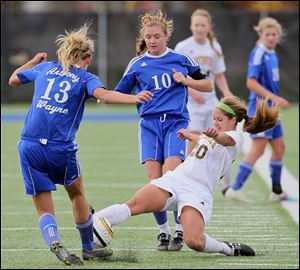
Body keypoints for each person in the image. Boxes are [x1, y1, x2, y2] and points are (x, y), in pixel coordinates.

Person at [8, 23, 153, 266]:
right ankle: (88, 247)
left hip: (29, 145)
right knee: (77, 194)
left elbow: (13, 79)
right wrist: (134, 97)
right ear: (88, 58)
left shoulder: (45, 68)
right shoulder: (86, 77)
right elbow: (104, 96)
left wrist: (32, 61)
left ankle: (55, 241)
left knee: (44, 207)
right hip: (60, 148)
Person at [94, 96, 279, 257]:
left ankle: (227, 248)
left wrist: (214, 135)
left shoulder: (236, 138)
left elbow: (223, 140)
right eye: (214, 118)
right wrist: (191, 135)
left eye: (220, 119)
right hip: (175, 179)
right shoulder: (213, 134)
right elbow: (206, 141)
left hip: (197, 192)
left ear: (233, 120)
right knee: (134, 205)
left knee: (194, 242)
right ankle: (95, 221)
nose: (215, 123)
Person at [109, 10, 212, 252]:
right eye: (148, 37)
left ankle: (179, 230)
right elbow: (118, 93)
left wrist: (186, 81)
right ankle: (163, 233)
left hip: (176, 123)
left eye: (157, 36)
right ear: (143, 38)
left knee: (173, 177)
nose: (152, 41)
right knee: (154, 181)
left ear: (166, 36)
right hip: (149, 126)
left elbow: (207, 85)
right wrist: (135, 97)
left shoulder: (180, 58)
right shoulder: (137, 64)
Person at [223, 17, 293, 203]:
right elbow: (251, 82)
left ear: (278, 36)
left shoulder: (272, 54)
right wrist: (275, 98)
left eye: (274, 34)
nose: (270, 37)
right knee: (257, 150)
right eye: (267, 34)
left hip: (271, 110)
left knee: (279, 147)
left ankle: (276, 191)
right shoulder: (258, 53)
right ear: (260, 34)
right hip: (261, 109)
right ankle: (235, 189)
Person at [174, 9, 233, 194]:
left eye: (203, 25)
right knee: (193, 139)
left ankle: (227, 184)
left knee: (220, 139)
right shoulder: (183, 46)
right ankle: (186, 178)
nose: (199, 28)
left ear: (209, 27)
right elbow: (176, 75)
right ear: (191, 26)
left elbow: (219, 75)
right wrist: (192, 90)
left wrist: (227, 93)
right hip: (192, 104)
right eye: (196, 24)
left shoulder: (214, 47)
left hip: (211, 102)